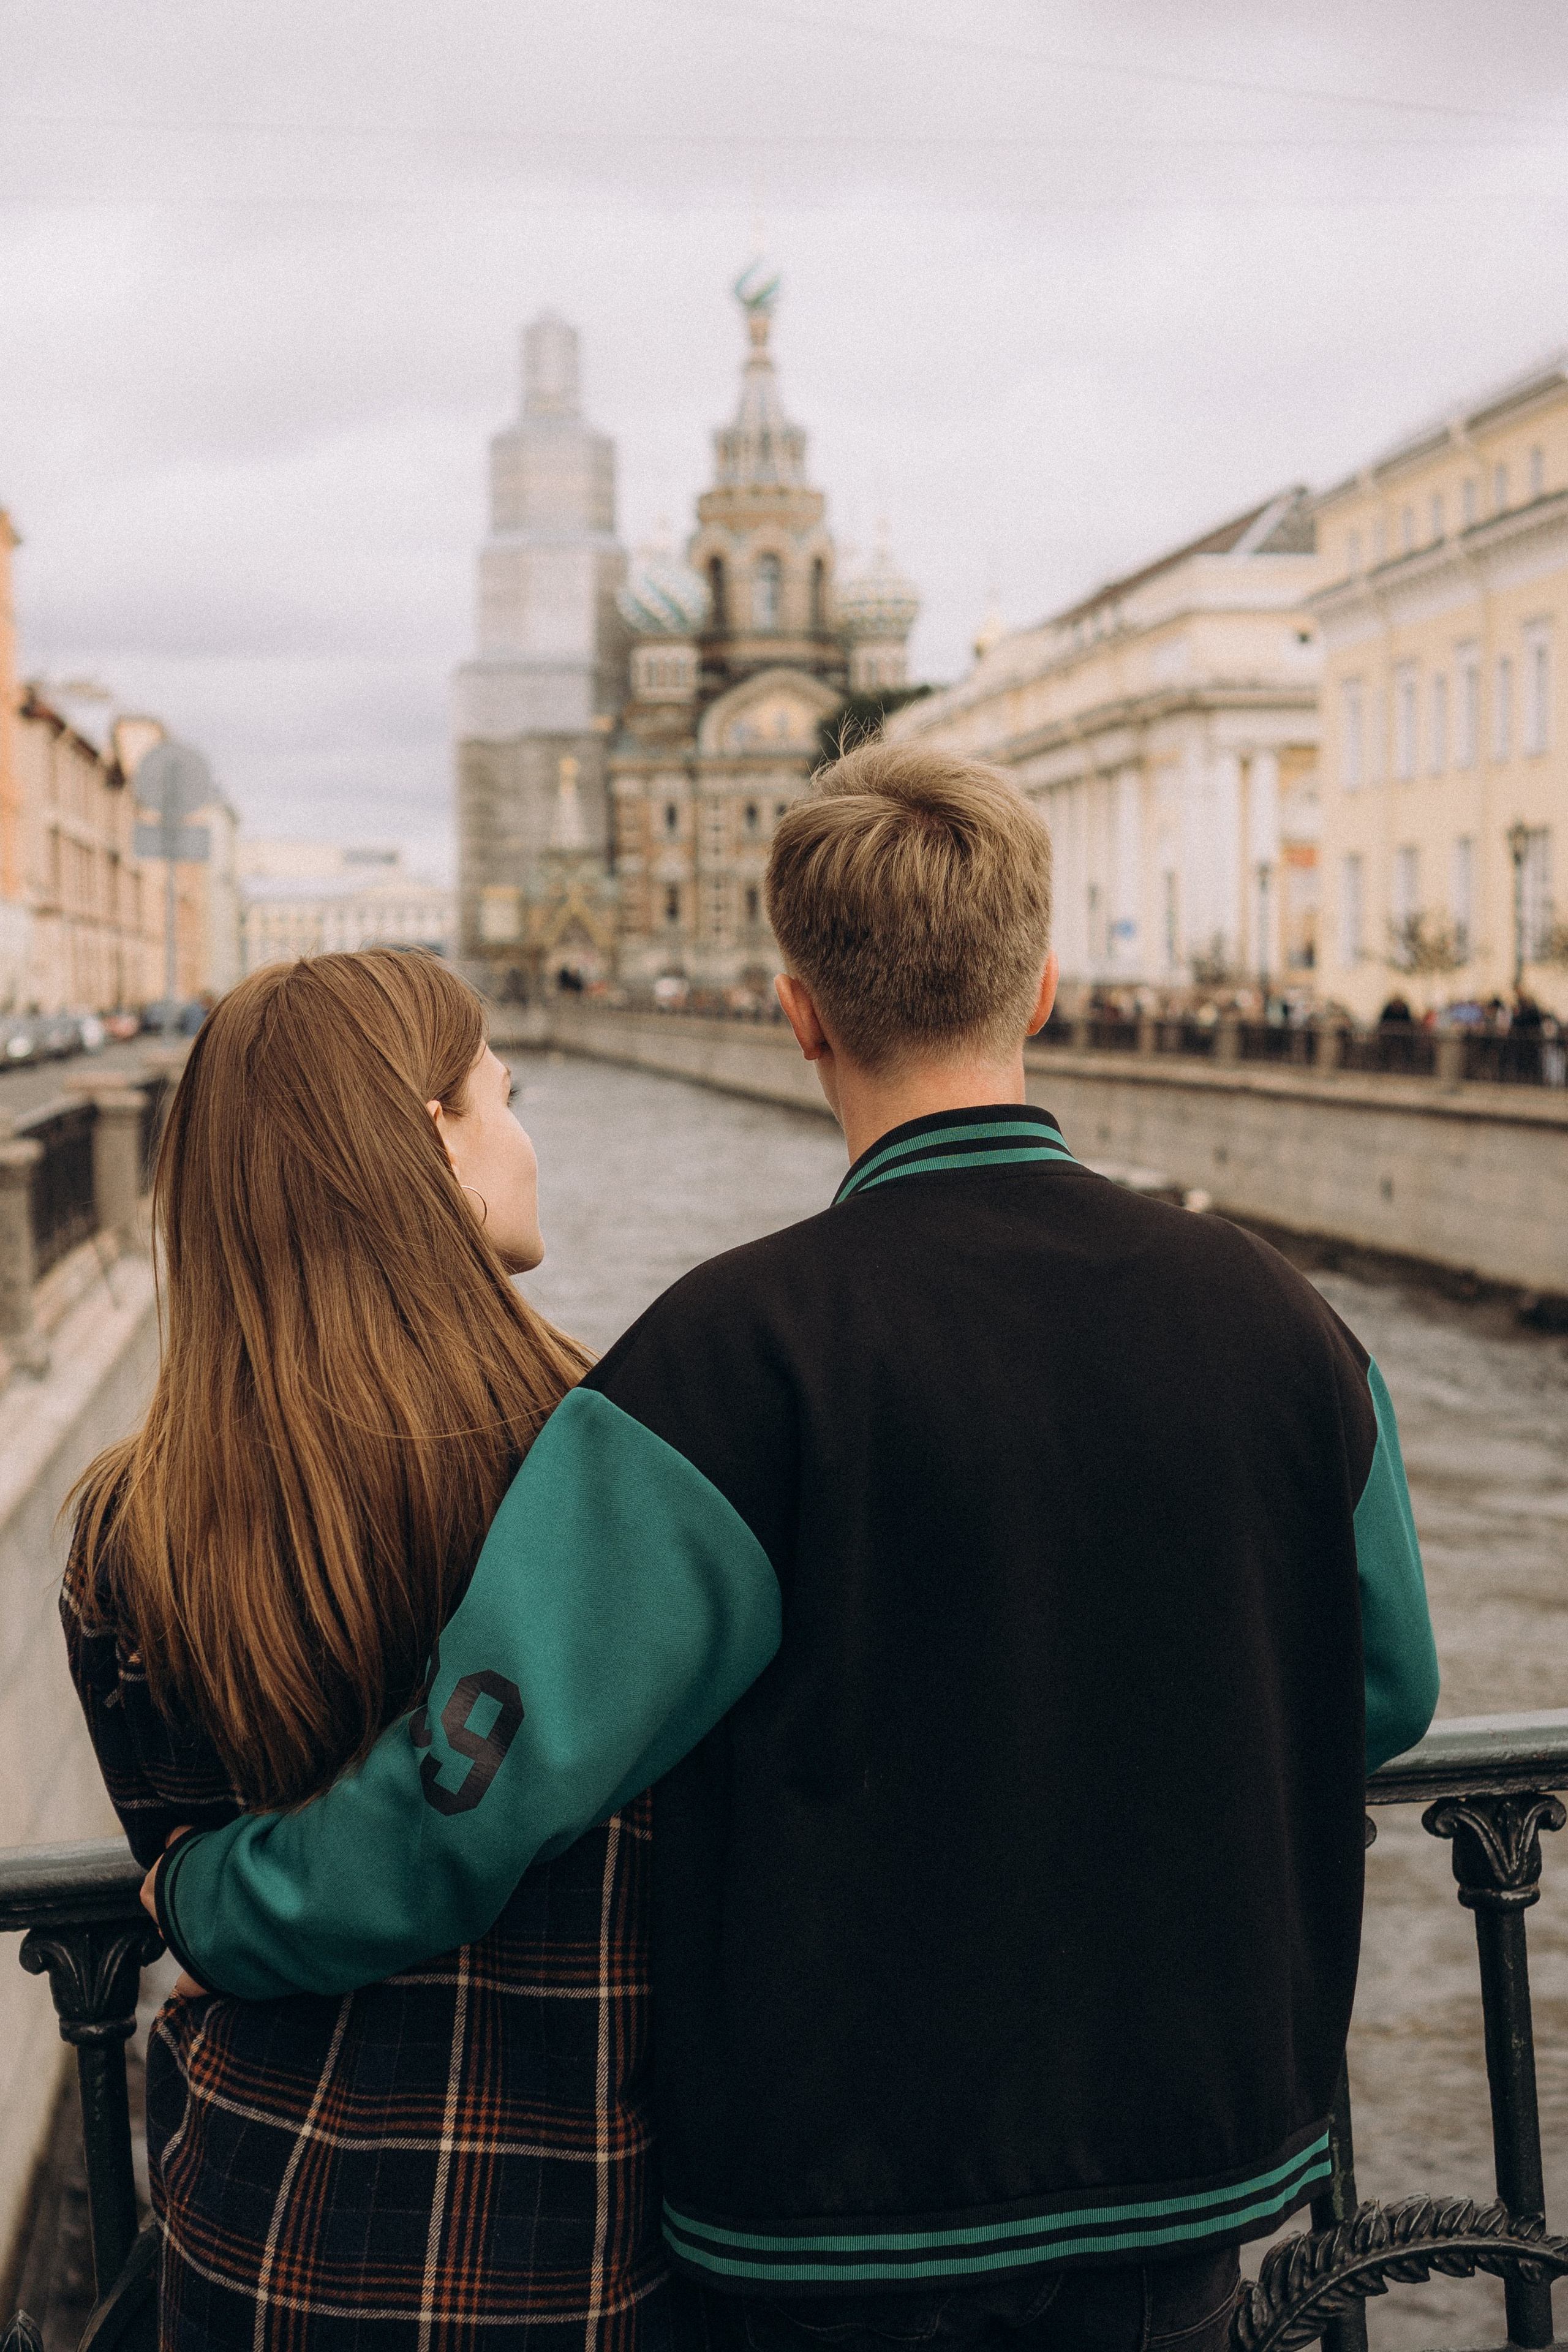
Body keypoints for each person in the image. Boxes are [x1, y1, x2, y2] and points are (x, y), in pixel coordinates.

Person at [148, 748, 1441, 2352]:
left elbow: (471, 1794)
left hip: (846, 2226)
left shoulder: (727, 1364)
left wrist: (212, 1899)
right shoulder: (1295, 1332)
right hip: (1206, 2165)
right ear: (1043, 986)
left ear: (799, 1013)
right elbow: (1382, 1691)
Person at [63, 949, 777, 2351]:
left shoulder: (128, 1530)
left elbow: (179, 1867)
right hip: (576, 2246)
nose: (524, 1137)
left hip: (252, 2238)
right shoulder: (621, 1471)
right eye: (503, 1096)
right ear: (433, 1138)